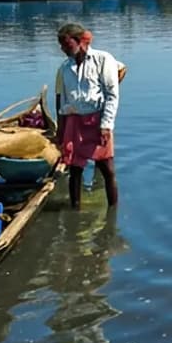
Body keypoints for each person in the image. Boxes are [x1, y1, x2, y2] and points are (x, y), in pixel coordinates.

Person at [55, 23, 123, 209]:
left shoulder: (103, 60)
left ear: (80, 42)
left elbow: (112, 95)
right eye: (61, 45)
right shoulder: (65, 68)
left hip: (97, 120)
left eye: (66, 45)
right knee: (74, 170)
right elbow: (62, 102)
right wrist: (61, 131)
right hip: (74, 121)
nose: (63, 49)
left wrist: (106, 125)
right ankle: (74, 208)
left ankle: (113, 212)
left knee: (107, 169)